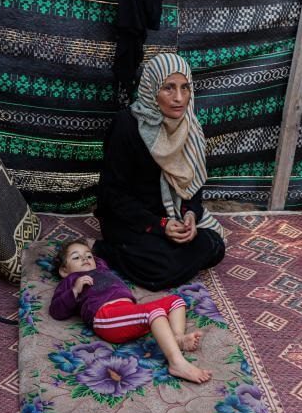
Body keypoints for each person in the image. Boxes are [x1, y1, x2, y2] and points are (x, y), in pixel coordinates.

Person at [94, 53, 225, 290]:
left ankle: (168, 255)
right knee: (161, 269)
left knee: (216, 247)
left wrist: (190, 214)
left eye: (185, 88)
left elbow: (192, 184)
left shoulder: (189, 126)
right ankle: (106, 250)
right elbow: (112, 195)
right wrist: (160, 225)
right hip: (131, 219)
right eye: (168, 88)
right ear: (151, 90)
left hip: (171, 213)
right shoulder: (127, 125)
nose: (179, 98)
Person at [49, 239, 212, 384]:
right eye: (76, 257)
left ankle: (177, 338)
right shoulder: (70, 280)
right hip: (106, 316)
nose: (85, 259)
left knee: (176, 300)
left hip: (128, 311)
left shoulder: (101, 268)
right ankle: (177, 363)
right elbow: (57, 311)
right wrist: (75, 290)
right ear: (64, 270)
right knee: (154, 312)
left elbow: (99, 255)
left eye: (88, 256)